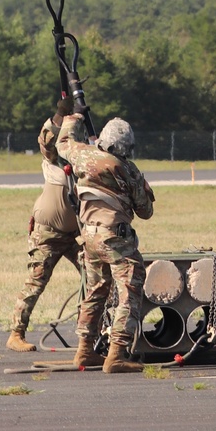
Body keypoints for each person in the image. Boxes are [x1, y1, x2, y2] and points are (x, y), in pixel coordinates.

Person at [56, 112, 155, 373]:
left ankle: (84, 351)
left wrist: (72, 119)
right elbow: (145, 212)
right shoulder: (127, 169)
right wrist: (142, 186)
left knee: (96, 290)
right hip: (115, 236)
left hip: (88, 235)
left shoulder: (82, 155)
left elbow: (63, 142)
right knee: (130, 289)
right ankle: (116, 354)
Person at [6, 97, 81, 352]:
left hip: (74, 235)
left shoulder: (84, 162)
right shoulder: (54, 157)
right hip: (47, 233)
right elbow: (46, 139)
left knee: (95, 277)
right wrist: (61, 114)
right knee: (36, 281)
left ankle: (93, 329)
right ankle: (16, 334)